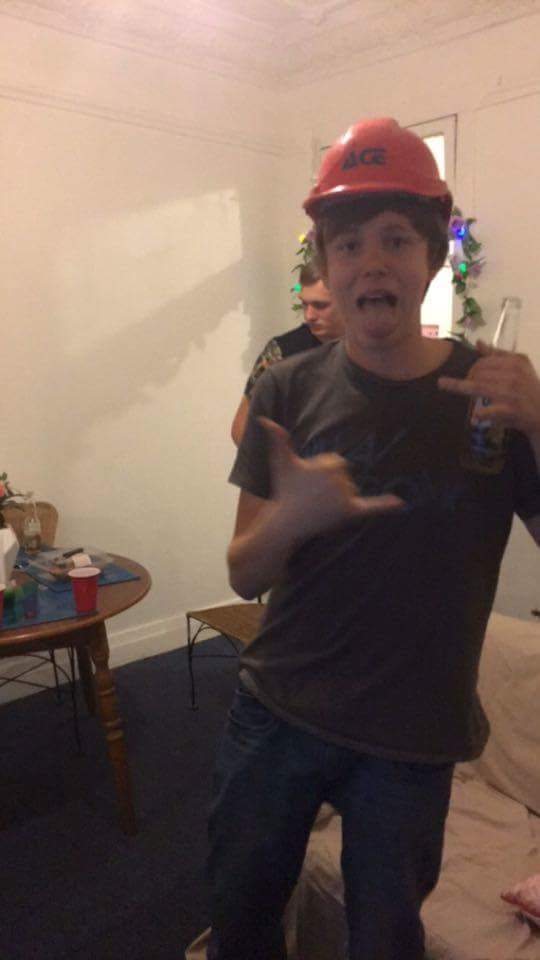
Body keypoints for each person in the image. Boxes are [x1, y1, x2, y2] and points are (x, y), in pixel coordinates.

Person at [207, 118, 540, 960]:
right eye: (349, 244)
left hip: (412, 740)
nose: (372, 262)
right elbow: (242, 573)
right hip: (277, 715)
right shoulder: (284, 389)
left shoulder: (492, 400)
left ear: (433, 258)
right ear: (325, 266)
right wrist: (294, 516)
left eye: (396, 238)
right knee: (240, 919)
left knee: (387, 940)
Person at [231, 259, 343, 445]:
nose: (309, 315)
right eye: (304, 304)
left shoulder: (373, 350)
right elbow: (241, 428)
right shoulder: (282, 352)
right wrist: (283, 461)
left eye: (320, 305)